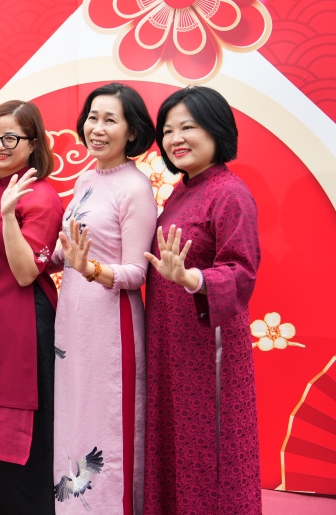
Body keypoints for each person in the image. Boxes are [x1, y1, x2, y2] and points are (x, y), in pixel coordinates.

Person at [142, 86, 261, 515]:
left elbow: (241, 271)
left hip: (209, 351)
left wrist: (191, 278)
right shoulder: (182, 190)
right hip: (170, 347)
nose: (175, 138)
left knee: (212, 454)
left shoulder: (230, 192)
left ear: (216, 129)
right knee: (174, 448)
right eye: (168, 130)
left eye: (187, 127)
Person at [51, 84, 156, 514]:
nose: (97, 128)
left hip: (111, 327)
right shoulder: (86, 179)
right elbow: (65, 251)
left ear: (132, 131)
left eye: (110, 120)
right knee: (74, 419)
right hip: (72, 325)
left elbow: (136, 272)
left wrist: (90, 268)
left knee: (108, 427)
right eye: (92, 117)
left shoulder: (136, 187)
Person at [0, 100, 63, 515]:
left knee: (22, 451)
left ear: (34, 143)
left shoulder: (41, 196)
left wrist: (8, 217)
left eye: (11, 137)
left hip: (22, 333)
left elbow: (25, 273)